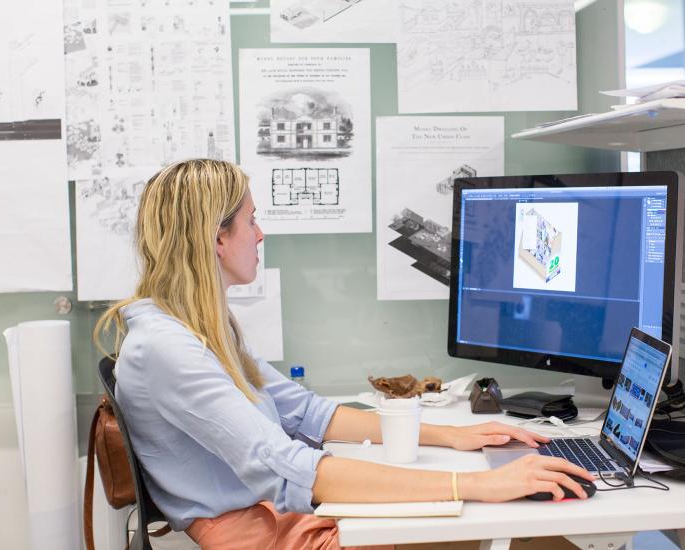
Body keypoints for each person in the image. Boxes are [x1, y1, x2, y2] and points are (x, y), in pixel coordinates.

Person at [94, 159, 593, 550]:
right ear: (217, 238)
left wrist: (453, 435)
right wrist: (477, 485)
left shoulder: (197, 327)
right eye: (251, 220)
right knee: (541, 538)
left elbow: (308, 413)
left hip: (284, 517)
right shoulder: (166, 349)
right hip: (275, 534)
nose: (261, 234)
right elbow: (289, 467)